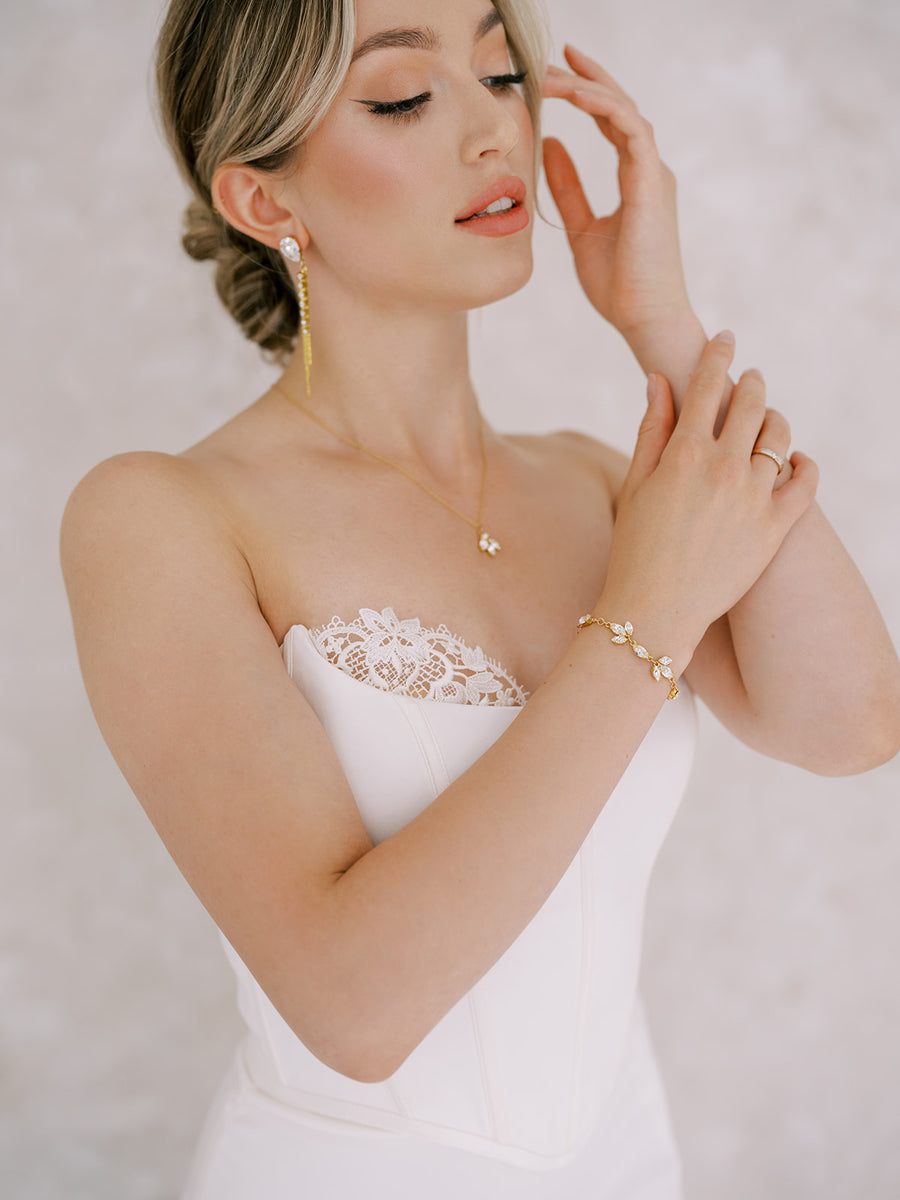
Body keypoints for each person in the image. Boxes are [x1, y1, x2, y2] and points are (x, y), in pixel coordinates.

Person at [60, 0, 900, 1196]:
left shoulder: (598, 483)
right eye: (404, 98)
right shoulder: (161, 517)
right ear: (265, 201)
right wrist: (647, 618)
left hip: (627, 1160)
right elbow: (355, 1007)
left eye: (504, 75)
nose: (493, 131)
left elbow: (853, 723)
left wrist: (662, 325)